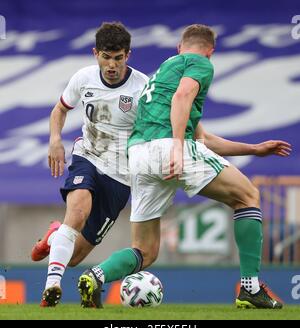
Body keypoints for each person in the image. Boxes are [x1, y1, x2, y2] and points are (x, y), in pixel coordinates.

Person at [78, 24, 292, 309]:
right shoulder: (199, 63)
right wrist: (178, 147)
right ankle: (249, 289)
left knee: (146, 250)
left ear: (179, 47)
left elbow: (202, 139)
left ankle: (96, 275)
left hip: (139, 156)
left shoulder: (162, 74)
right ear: (210, 52)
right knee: (248, 196)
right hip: (168, 147)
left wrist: (253, 149)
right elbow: (183, 97)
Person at [35, 21, 149, 307]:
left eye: (118, 57)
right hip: (88, 156)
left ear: (128, 55)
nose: (112, 65)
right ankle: (51, 288)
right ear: (95, 53)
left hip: (121, 176)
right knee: (77, 211)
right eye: (106, 57)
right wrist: (54, 139)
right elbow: (60, 109)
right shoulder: (83, 78)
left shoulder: (143, 87)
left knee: (73, 256)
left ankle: (53, 237)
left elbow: (153, 129)